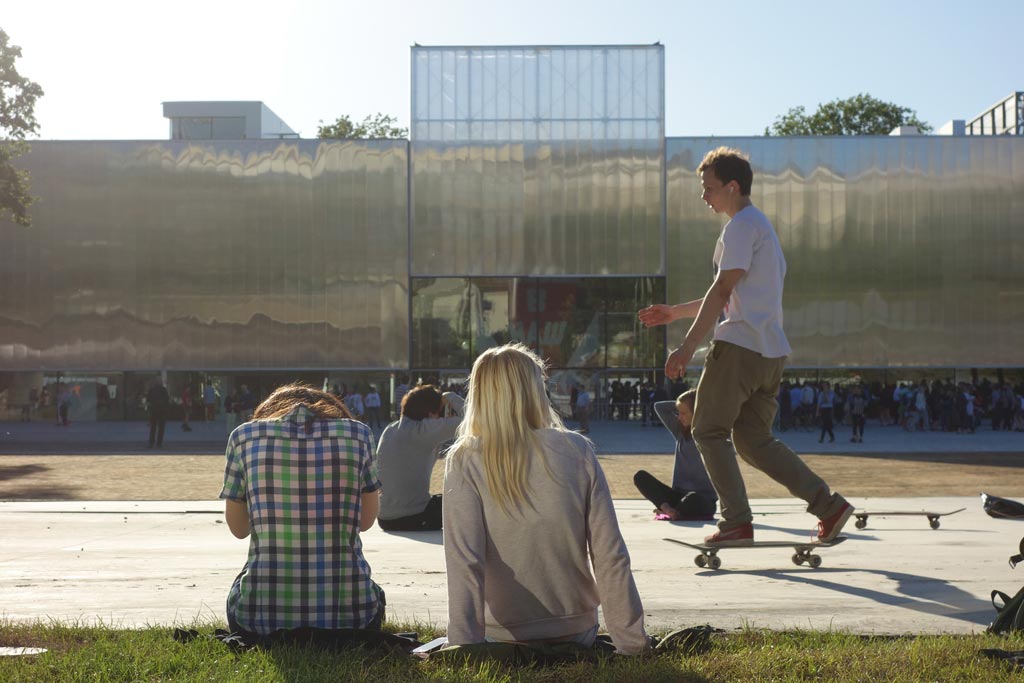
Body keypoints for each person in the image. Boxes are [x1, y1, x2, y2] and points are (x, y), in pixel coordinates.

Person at [638, 146, 852, 547]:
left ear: (732, 187)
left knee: (706, 429)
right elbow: (731, 293)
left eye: (710, 188)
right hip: (770, 353)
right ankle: (829, 507)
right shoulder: (762, 229)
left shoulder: (739, 227)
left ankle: (736, 520)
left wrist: (685, 348)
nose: (705, 196)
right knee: (754, 440)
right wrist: (675, 313)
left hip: (738, 349)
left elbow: (721, 290)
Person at [443, 343, 649, 655]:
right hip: (576, 630)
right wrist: (632, 644)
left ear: (480, 394)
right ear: (536, 390)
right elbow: (610, 556)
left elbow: (464, 562)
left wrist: (464, 646)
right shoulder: (577, 450)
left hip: (504, 636)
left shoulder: (465, 459)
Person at [220, 383, 384, 636]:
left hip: (257, 619)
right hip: (355, 617)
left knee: (248, 570)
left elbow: (239, 529)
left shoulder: (243, 437)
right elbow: (365, 521)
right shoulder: (359, 435)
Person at [376, 385, 464, 531]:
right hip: (413, 517)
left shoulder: (390, 430)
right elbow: (472, 420)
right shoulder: (423, 430)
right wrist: (449, 396)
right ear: (430, 413)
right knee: (464, 499)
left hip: (384, 517)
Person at [633, 389, 717, 521]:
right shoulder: (680, 432)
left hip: (702, 500)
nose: (679, 417)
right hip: (677, 496)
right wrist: (682, 404)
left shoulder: (712, 435)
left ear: (697, 412)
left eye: (683, 413)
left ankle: (672, 510)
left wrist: (700, 404)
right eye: (679, 412)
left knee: (692, 498)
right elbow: (659, 407)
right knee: (640, 477)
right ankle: (669, 509)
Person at [146, 380, 170, 448]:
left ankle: (151, 442)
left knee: (153, 428)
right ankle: (159, 443)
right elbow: (167, 400)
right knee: (161, 428)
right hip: (162, 411)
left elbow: (148, 400)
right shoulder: (163, 390)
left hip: (153, 411)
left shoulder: (151, 390)